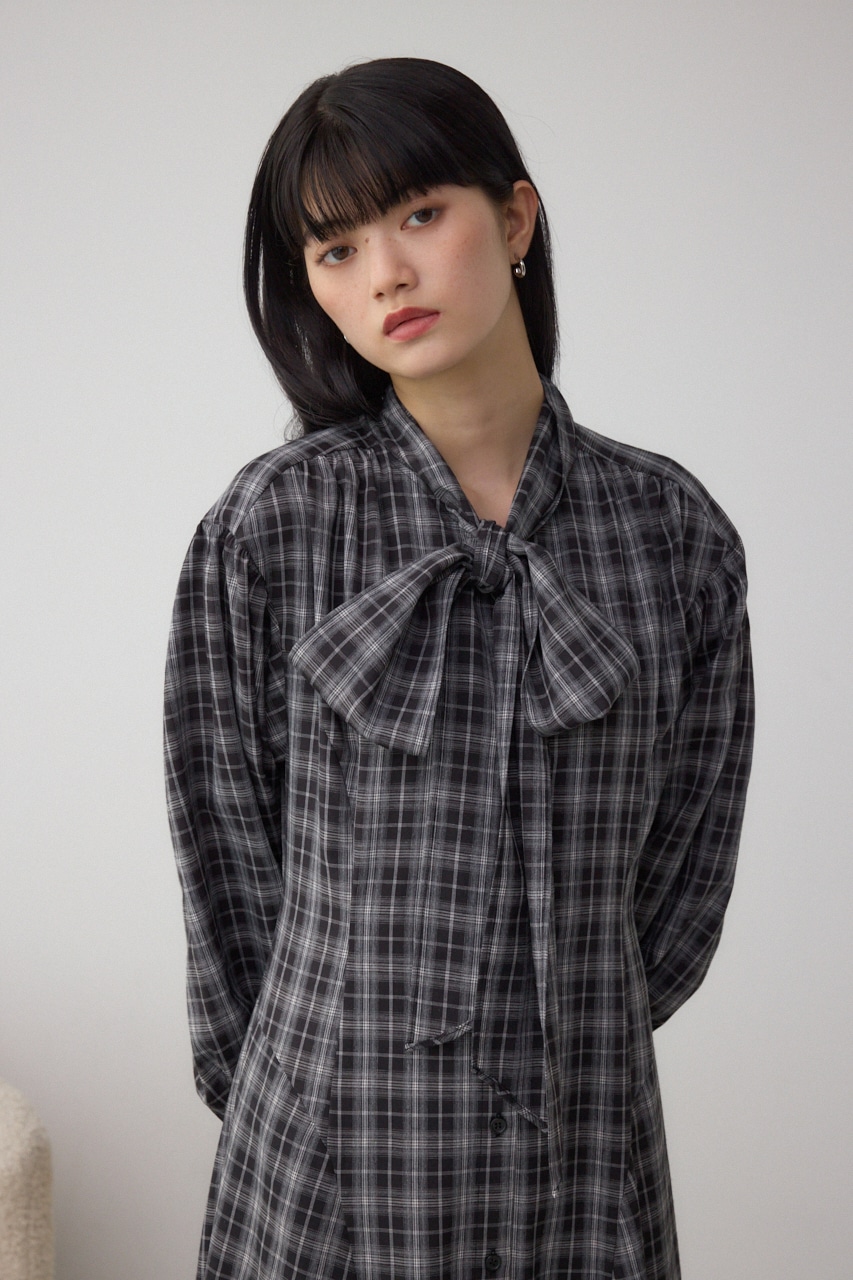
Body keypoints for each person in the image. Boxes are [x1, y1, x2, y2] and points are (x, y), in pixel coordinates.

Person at [164, 57, 754, 1280]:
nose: (385, 272)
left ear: (516, 219)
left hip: (580, 1154)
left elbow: (682, 880)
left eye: (420, 214)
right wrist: (308, 1066)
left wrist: (560, 1022)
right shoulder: (270, 529)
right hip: (324, 1155)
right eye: (335, 249)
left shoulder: (672, 535)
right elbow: (224, 858)